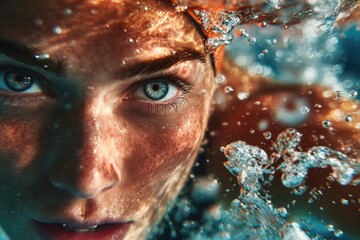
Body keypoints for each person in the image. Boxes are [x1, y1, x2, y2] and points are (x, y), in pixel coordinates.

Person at [0, 0, 358, 240]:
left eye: (156, 88)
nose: (86, 179)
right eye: (18, 81)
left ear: (212, 81)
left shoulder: (268, 136)